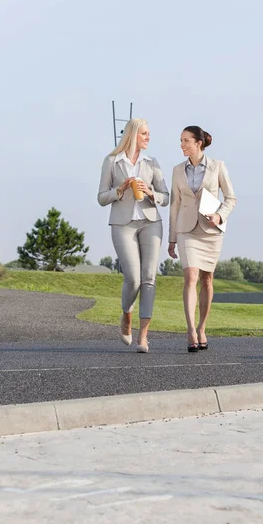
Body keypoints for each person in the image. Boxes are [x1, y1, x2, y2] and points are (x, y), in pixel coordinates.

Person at [98, 118, 169, 353]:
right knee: (133, 278)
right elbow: (101, 198)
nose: (148, 137)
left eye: (149, 134)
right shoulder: (112, 162)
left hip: (151, 223)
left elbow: (166, 197)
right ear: (132, 135)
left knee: (149, 277)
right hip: (122, 223)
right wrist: (120, 190)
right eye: (144, 134)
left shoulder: (152, 162)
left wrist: (151, 193)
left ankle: (143, 337)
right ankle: (126, 314)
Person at [168, 126, 236, 352]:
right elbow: (174, 205)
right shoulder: (177, 170)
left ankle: (202, 327)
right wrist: (172, 238)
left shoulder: (218, 166)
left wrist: (219, 215)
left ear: (199, 143)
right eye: (180, 141)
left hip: (210, 230)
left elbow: (230, 198)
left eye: (186, 140)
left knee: (207, 280)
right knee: (190, 276)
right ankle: (190, 330)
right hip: (186, 229)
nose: (182, 145)